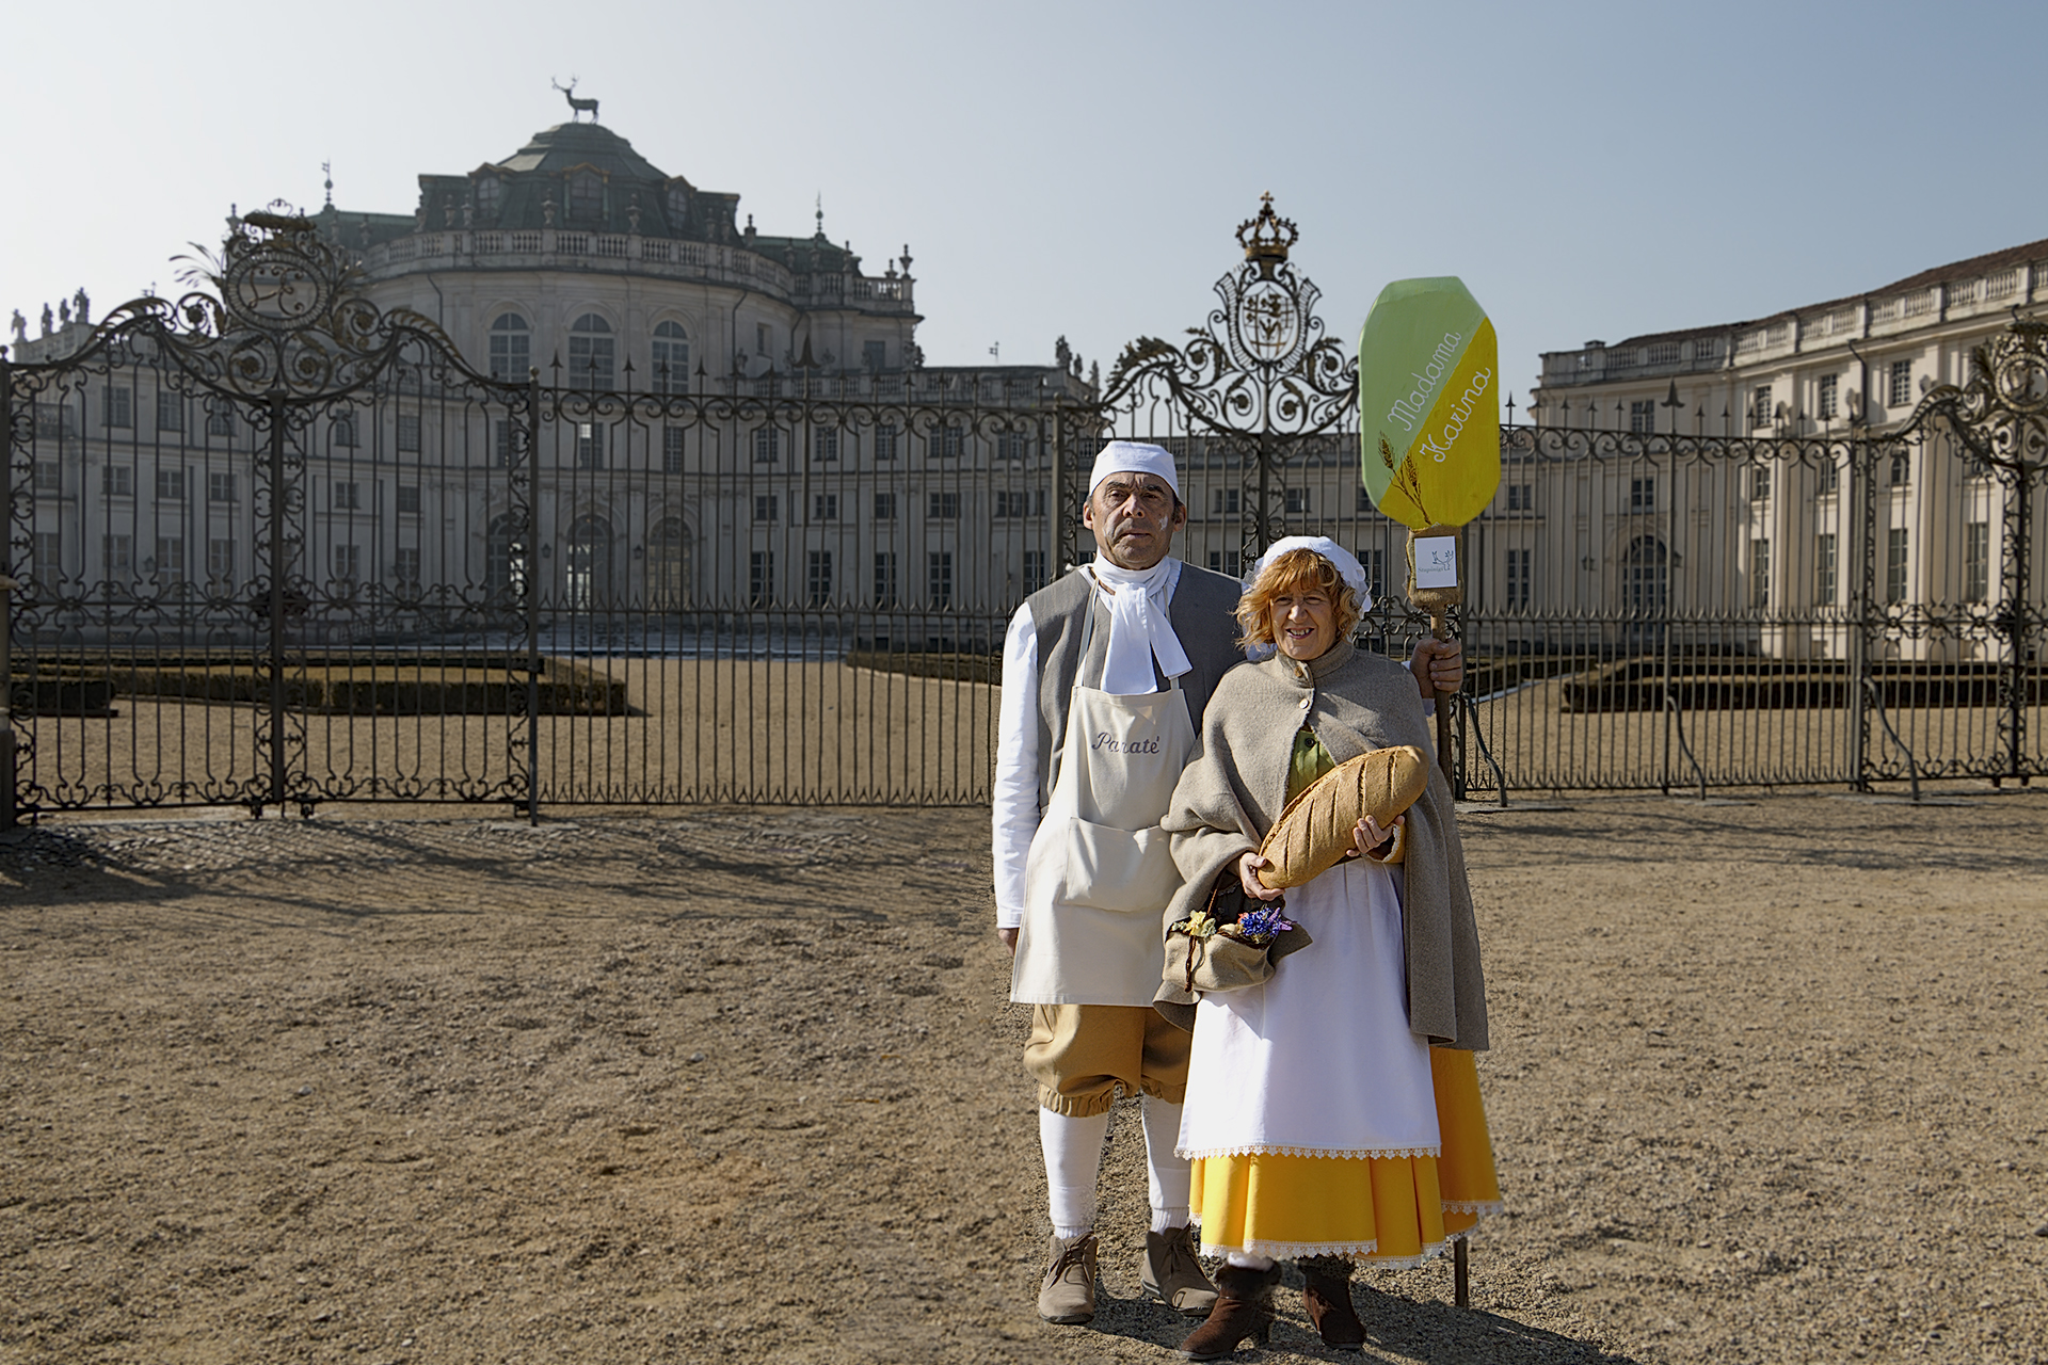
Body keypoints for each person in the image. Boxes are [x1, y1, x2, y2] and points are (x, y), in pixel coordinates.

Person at [993, 451, 1459, 1328]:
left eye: (1153, 496)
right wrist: (1009, 899)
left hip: (1196, 888)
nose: (1134, 510)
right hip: (1087, 876)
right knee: (1075, 1062)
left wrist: (1418, 672)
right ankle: (1071, 1242)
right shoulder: (1043, 617)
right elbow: (1017, 764)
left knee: (1179, 1064)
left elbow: (1323, 691)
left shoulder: (1219, 606)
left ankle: (1175, 1240)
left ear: (1179, 514)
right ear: (1088, 513)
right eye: (1116, 495)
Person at [1157, 536, 1499, 1359]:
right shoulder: (1238, 694)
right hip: (1263, 927)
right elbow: (1193, 818)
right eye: (1282, 602)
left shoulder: (1386, 688)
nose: (1297, 615)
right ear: (1263, 612)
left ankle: (1329, 1280)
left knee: (1343, 1089)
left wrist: (1390, 841)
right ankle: (1242, 1287)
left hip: (1359, 925)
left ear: (1344, 609)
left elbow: (1430, 818)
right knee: (1258, 1094)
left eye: (1314, 599)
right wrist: (1236, 860)